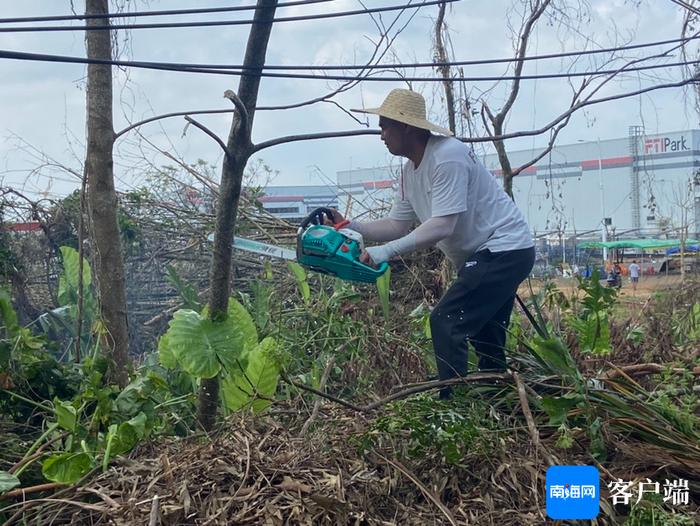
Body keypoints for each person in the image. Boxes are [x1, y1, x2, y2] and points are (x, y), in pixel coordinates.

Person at [330, 89, 535, 398]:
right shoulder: (410, 171)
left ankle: (452, 411)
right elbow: (397, 224)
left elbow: (442, 225)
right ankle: (499, 407)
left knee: (446, 322)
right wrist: (351, 226)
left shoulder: (447, 156)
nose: (381, 134)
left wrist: (385, 252)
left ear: (407, 127)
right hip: (486, 253)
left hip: (504, 248)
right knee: (485, 338)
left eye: (385, 126)